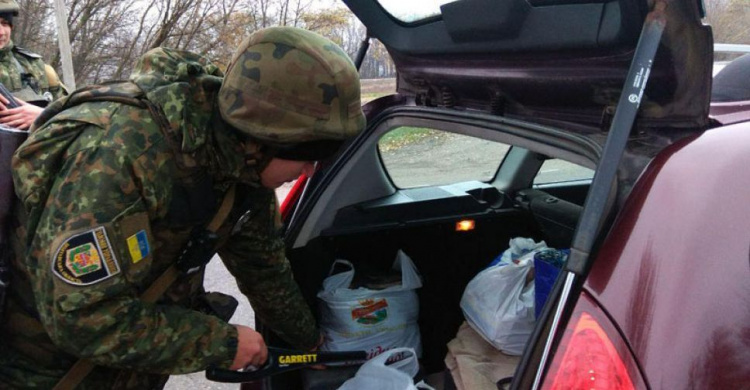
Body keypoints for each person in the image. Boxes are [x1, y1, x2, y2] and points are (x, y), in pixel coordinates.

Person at [0, 26, 365, 388]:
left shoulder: (241, 163)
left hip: (130, 370)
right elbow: (81, 318)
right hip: (50, 375)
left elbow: (264, 267)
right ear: (267, 136)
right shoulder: (115, 156)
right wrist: (221, 344)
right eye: (310, 153)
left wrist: (309, 343)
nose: (310, 169)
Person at [0, 0, 66, 129]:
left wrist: (43, 116)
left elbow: (72, 115)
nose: (1, 32)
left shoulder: (35, 67)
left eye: (5, 23)